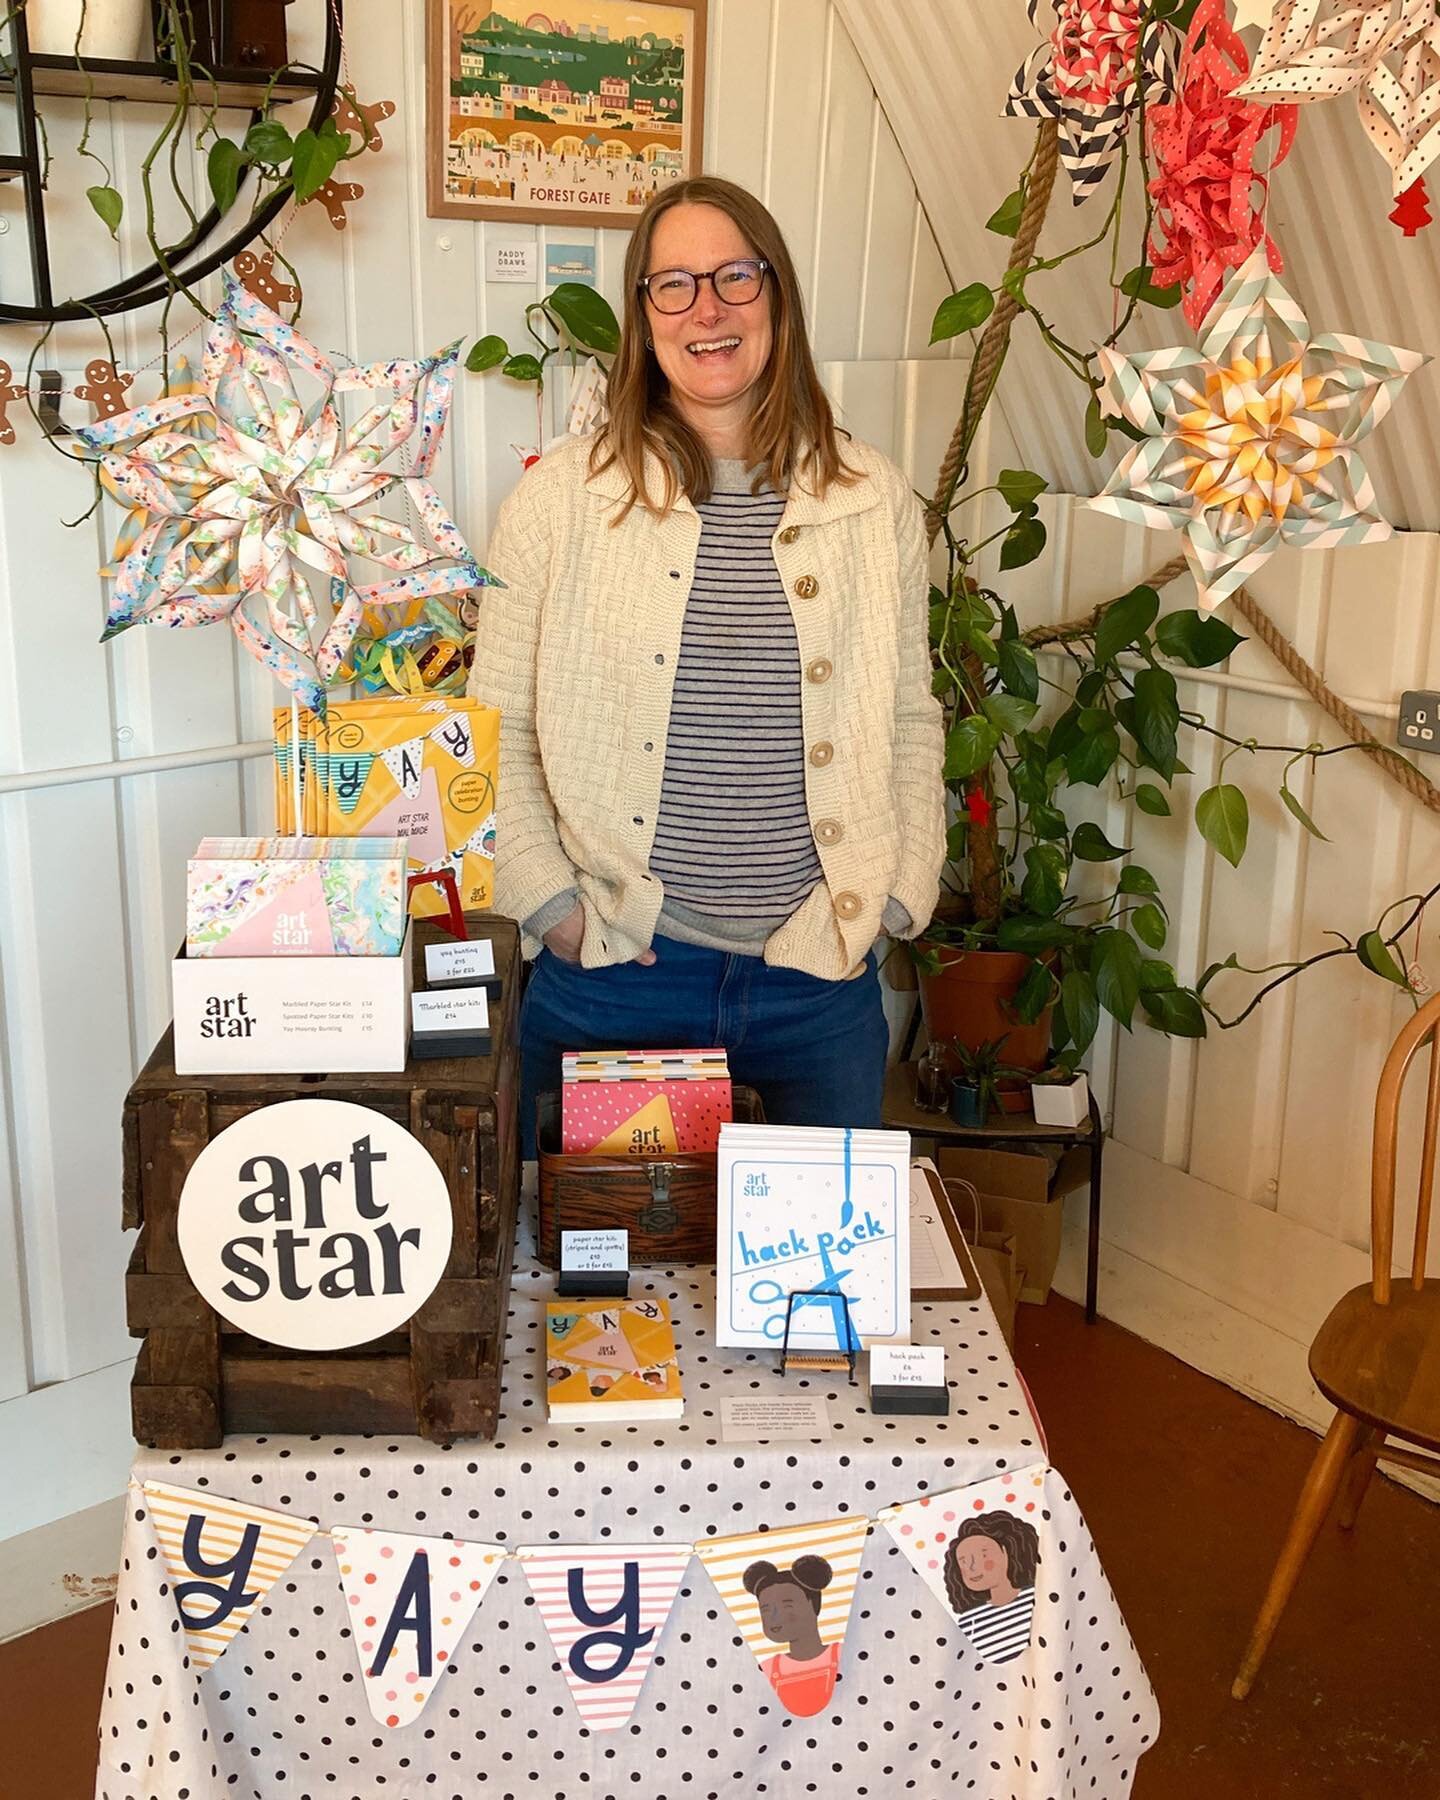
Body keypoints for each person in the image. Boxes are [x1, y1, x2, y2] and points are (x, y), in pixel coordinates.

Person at [469, 174, 945, 1157]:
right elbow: (497, 724)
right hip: (615, 970)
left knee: (812, 1296)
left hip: (817, 974)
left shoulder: (873, 501)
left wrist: (898, 891)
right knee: (584, 1292)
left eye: (736, 275)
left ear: (777, 296)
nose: (708, 309)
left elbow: (906, 713)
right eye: (672, 284)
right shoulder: (560, 504)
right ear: (642, 317)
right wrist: (552, 909)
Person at [741, 1555, 838, 1715]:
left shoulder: (842, 1653)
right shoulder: (770, 1666)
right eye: (765, 1609)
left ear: (814, 1605)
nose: (774, 1617)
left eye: (787, 1606)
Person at [941, 1511, 1041, 1665]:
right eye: (963, 1561)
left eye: (983, 1555)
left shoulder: (1039, 1597)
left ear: (1007, 1551)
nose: (972, 1567)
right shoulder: (970, 1621)